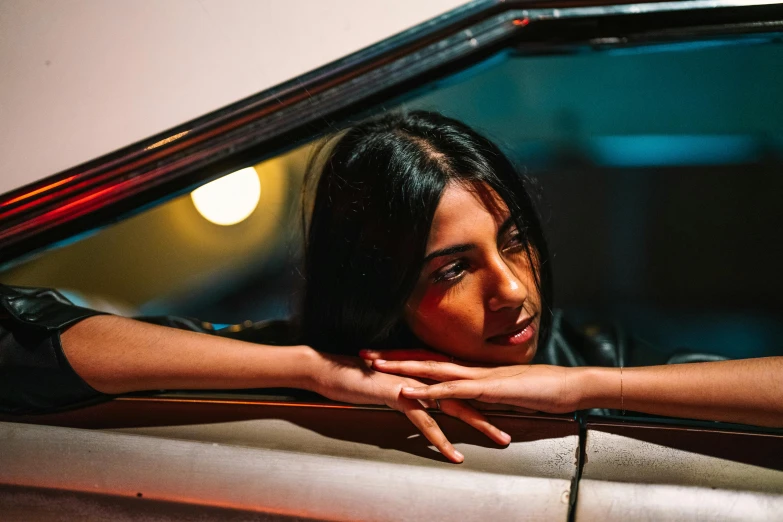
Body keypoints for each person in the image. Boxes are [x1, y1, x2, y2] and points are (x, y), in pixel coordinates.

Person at [1, 111, 781, 462]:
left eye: (512, 243)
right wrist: (308, 370)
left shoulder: (593, 353)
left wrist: (588, 382)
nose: (511, 289)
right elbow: (21, 344)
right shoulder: (306, 376)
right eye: (452, 268)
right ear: (377, 290)